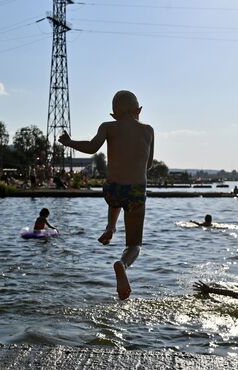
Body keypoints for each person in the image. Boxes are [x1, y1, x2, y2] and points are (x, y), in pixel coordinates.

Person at [58, 90, 154, 300]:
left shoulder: (108, 127)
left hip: (113, 188)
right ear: (138, 111)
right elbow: (149, 164)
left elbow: (92, 147)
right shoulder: (148, 130)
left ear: (113, 114)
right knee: (134, 244)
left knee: (116, 195)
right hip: (137, 190)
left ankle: (110, 227)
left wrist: (70, 142)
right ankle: (122, 264)